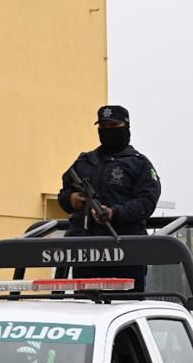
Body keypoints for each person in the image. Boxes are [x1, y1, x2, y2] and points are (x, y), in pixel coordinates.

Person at [56, 105, 161, 291]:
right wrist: (71, 199)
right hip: (86, 252)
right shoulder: (84, 162)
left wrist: (114, 213)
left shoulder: (138, 164)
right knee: (85, 307)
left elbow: (146, 202)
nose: (107, 131)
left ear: (125, 127)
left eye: (113, 126)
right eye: (103, 127)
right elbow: (63, 194)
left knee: (125, 306)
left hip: (124, 250)